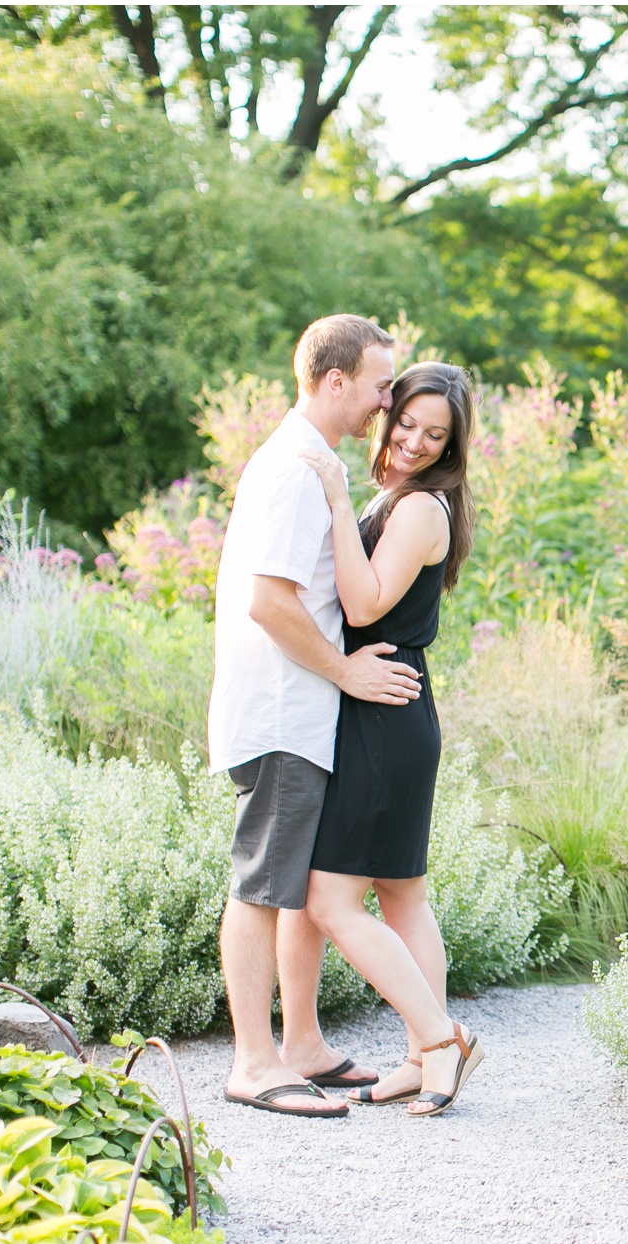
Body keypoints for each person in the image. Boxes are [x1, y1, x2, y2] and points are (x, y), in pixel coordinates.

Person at [210, 314, 415, 1118]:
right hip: (282, 711)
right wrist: (346, 674)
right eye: (378, 384)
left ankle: (301, 1044)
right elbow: (269, 602)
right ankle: (254, 1063)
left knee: (291, 888)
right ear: (336, 381)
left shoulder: (308, 462)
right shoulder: (295, 469)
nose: (385, 401)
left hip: (298, 713)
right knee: (261, 887)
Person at [286, 361, 485, 1117]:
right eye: (407, 423)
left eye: (435, 435)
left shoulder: (423, 509)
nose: (414, 441)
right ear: (389, 409)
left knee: (330, 900)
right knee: (402, 897)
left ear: (452, 445)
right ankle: (418, 1053)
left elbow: (366, 601)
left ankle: (441, 1039)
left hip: (384, 710)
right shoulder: (400, 498)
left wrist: (337, 497)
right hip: (387, 707)